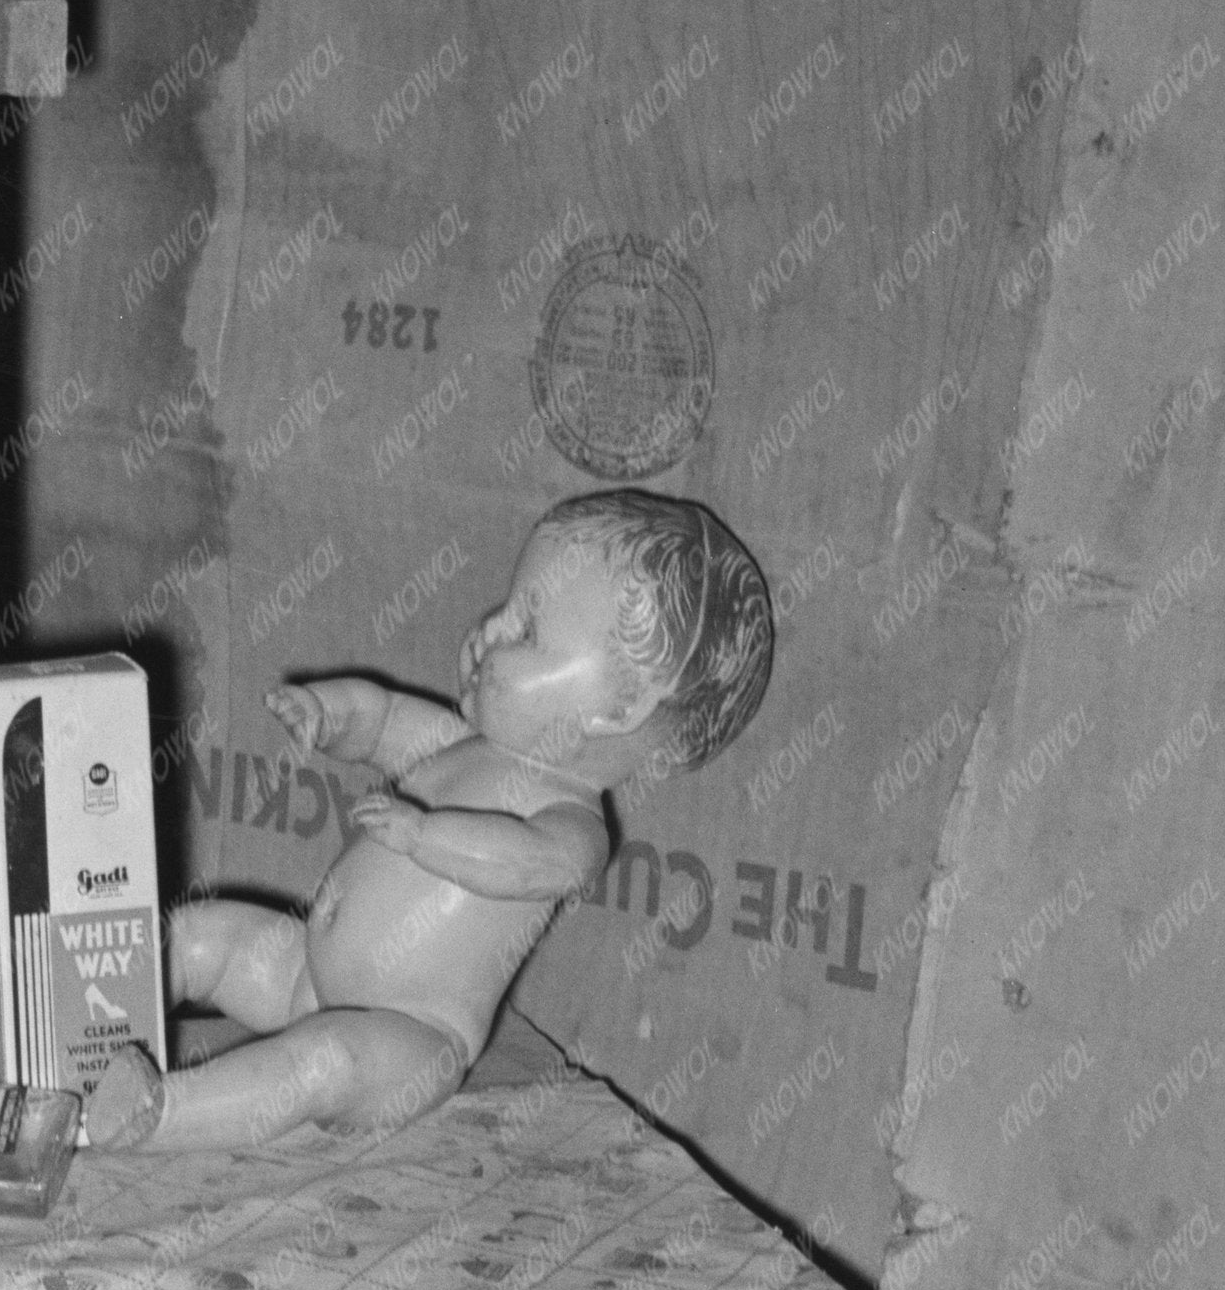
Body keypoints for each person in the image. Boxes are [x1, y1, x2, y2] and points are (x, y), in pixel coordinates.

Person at [106, 481, 775, 1157]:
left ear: (616, 710)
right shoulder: (460, 742)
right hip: (304, 975)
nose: (489, 630)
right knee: (199, 935)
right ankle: (83, 1030)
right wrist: (329, 713)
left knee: (323, 1061)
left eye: (526, 629)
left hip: (410, 1039)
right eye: (503, 606)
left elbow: (517, 861)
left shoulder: (574, 826)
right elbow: (385, 719)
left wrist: (426, 835)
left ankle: (156, 1115)